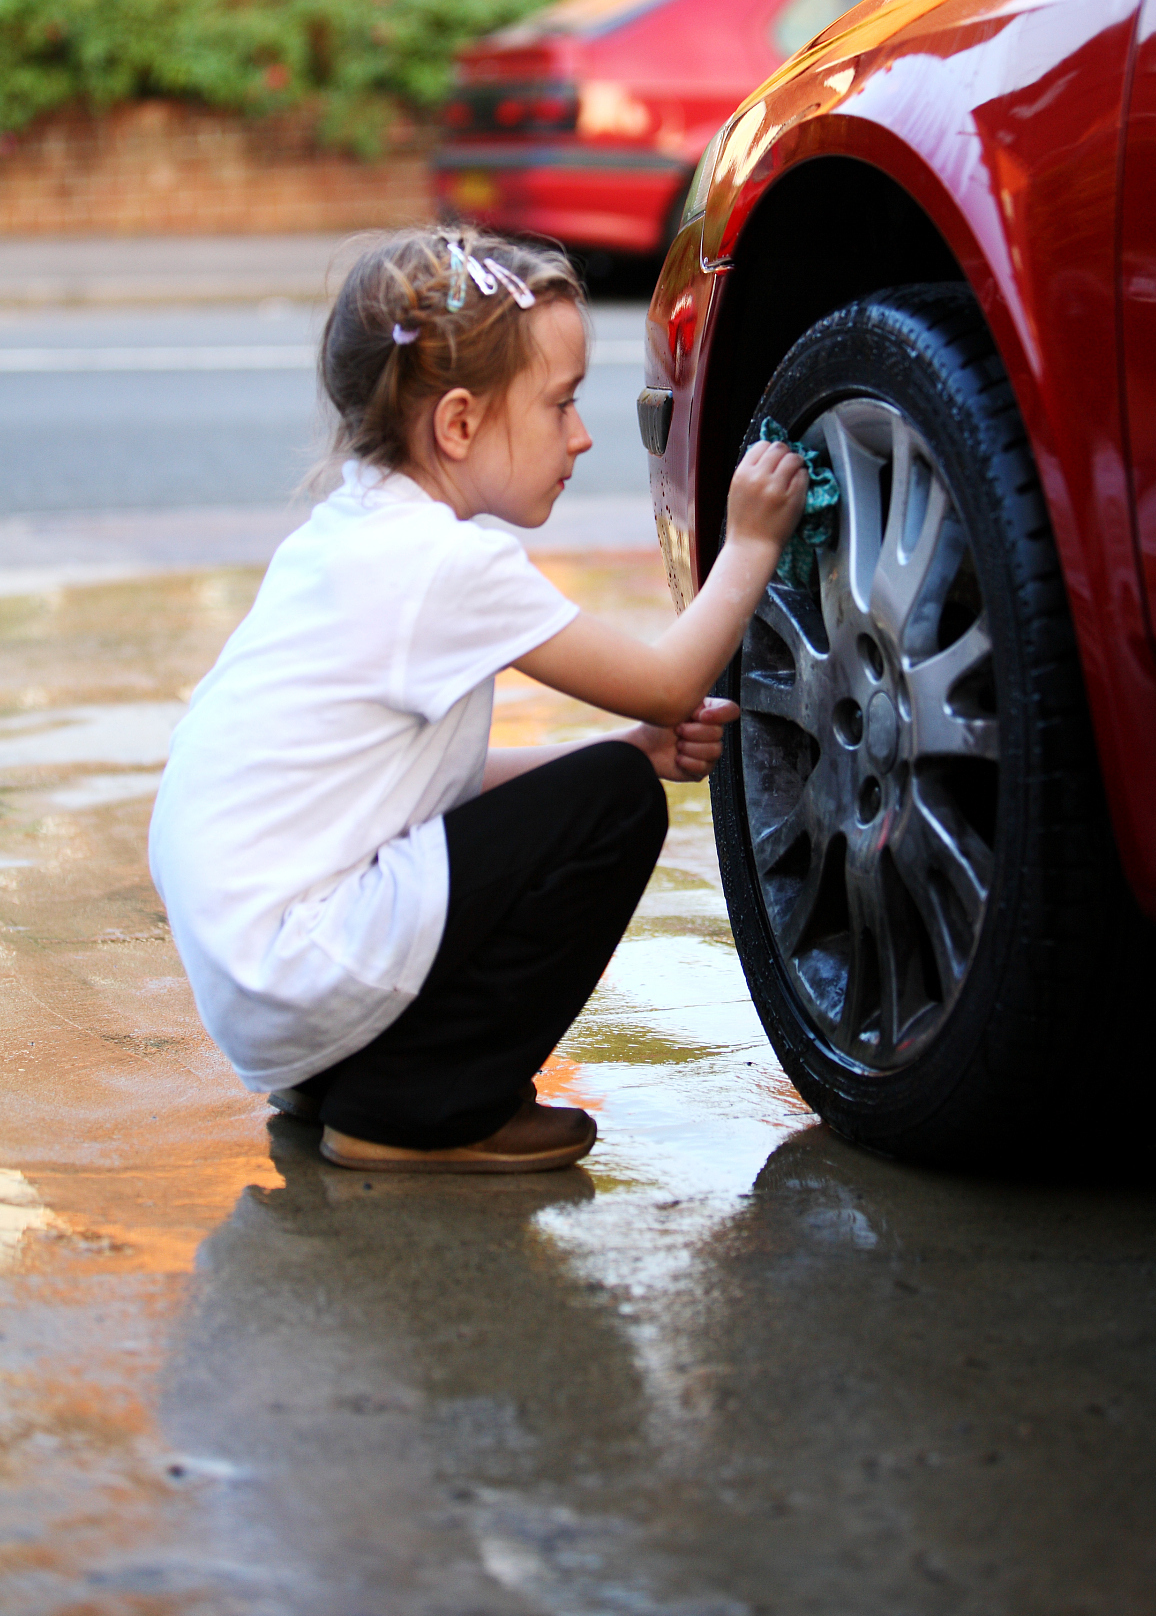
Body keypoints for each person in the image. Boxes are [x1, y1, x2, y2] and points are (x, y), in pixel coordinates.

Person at [148, 228, 806, 1174]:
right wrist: (747, 545)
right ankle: (422, 1106)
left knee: (610, 777)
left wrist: (623, 744)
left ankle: (359, 1080)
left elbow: (413, 781)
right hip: (301, 965)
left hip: (261, 990)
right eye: (560, 404)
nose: (581, 435)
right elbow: (669, 682)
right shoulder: (448, 565)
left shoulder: (347, 535)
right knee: (614, 812)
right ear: (457, 425)